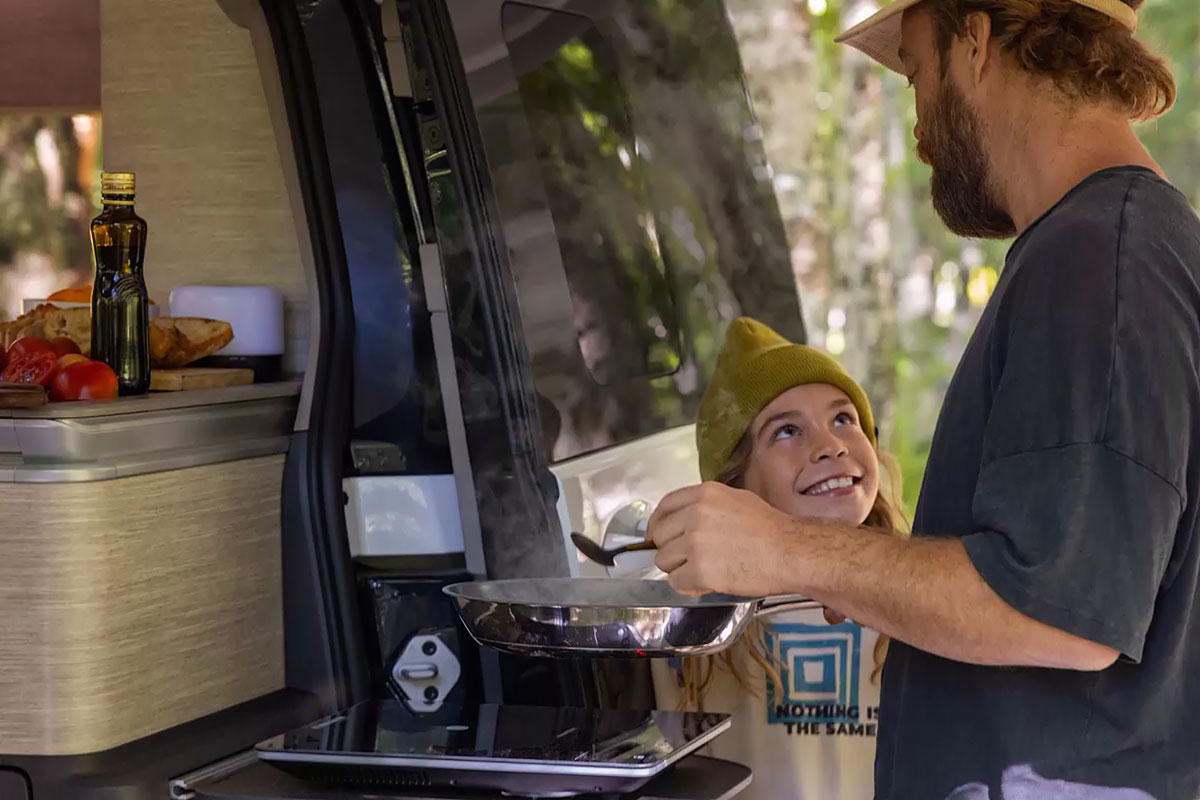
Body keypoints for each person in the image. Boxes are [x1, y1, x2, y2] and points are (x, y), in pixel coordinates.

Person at [647, 0, 1200, 797]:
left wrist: (787, 550)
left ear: (974, 40)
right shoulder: (1111, 244)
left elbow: (1058, 610)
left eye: (914, 74)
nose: (918, 132)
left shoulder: (1098, 259)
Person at [651, 316, 905, 800]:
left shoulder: (918, 595)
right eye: (787, 431)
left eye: (843, 419)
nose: (830, 446)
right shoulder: (690, 629)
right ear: (733, 489)